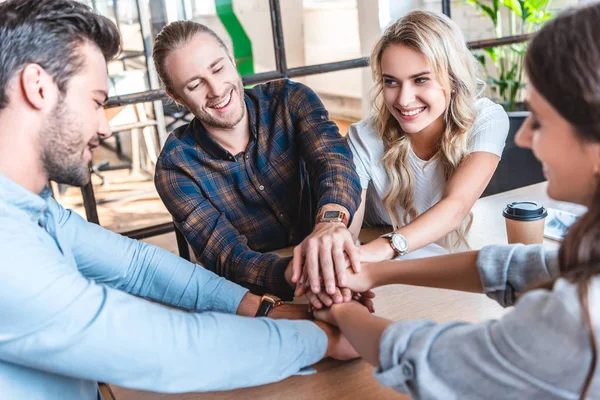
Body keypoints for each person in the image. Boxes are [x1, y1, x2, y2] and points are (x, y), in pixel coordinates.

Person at [0, 1, 358, 399]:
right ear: (37, 87)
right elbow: (169, 351)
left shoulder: (35, 206)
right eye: (97, 101)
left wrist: (262, 307)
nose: (103, 127)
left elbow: (138, 266)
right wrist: (319, 340)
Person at [314, 3, 600, 398]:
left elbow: (433, 363)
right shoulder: (588, 261)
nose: (523, 138)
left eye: (539, 119)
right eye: (391, 82)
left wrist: (341, 311)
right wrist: (371, 271)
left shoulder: (581, 315)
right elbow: (518, 267)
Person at [297, 10, 510, 309]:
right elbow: (350, 230)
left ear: (452, 77)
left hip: (414, 254)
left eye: (420, 79)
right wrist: (342, 260)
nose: (403, 99)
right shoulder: (363, 136)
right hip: (381, 256)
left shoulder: (486, 119)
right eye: (391, 82)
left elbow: (455, 207)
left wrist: (383, 248)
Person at [152, 21, 363, 302]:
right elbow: (228, 257)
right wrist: (305, 273)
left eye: (218, 68)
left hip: (337, 254)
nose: (215, 90)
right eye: (194, 84)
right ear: (175, 96)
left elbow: (334, 163)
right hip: (266, 292)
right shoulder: (175, 167)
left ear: (231, 58)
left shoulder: (291, 100)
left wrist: (330, 224)